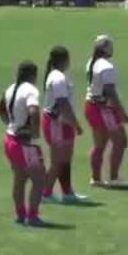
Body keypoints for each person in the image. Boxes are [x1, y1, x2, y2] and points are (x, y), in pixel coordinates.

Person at [0, 60, 51, 227]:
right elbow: (33, 112)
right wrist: (34, 135)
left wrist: (10, 123)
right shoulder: (30, 90)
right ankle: (32, 216)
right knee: (39, 180)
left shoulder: (11, 88)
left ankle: (20, 215)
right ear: (33, 74)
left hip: (10, 139)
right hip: (25, 143)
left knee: (19, 179)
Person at [84, 35, 128, 188]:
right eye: (110, 45)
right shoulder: (106, 67)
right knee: (121, 141)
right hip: (104, 108)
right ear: (105, 48)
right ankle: (113, 177)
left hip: (91, 105)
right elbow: (110, 91)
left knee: (100, 144)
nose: (113, 48)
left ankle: (96, 178)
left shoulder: (92, 62)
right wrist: (122, 113)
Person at [42, 46, 88, 204]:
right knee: (58, 161)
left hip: (64, 122)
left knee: (66, 160)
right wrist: (76, 124)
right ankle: (45, 193)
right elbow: (62, 103)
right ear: (64, 60)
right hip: (57, 123)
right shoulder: (57, 78)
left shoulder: (59, 76)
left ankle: (67, 192)